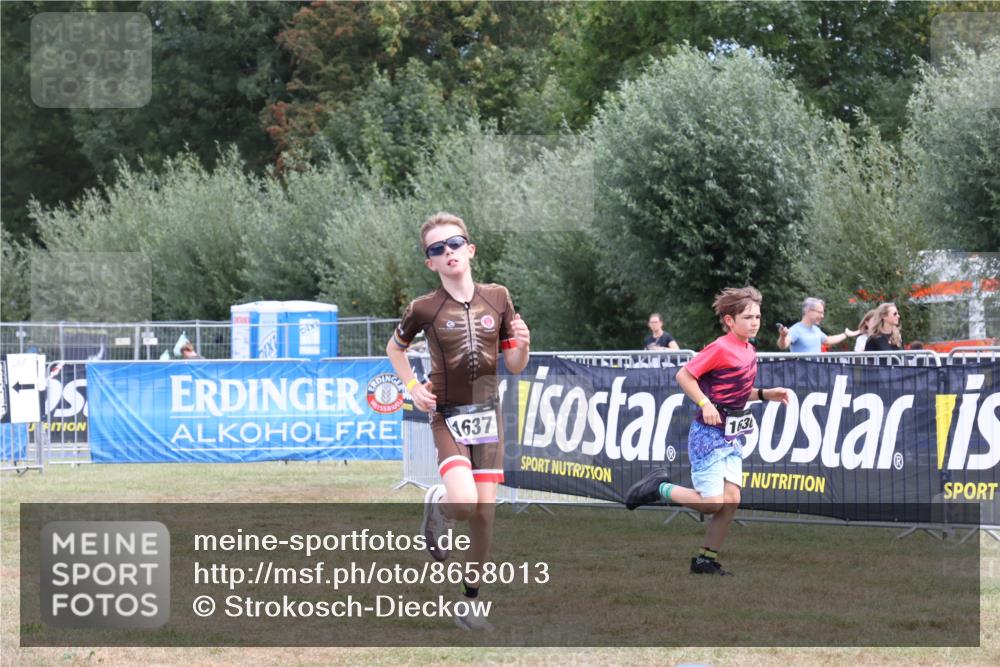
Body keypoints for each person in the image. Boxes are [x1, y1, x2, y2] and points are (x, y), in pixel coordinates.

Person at [385, 212, 530, 630]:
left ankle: (470, 601)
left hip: (488, 416)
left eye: (454, 243)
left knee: (485, 514)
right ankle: (440, 506)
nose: (447, 252)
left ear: (470, 249)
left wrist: (524, 345)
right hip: (447, 415)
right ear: (429, 262)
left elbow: (515, 365)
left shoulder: (498, 297)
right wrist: (412, 386)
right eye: (437, 249)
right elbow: (395, 350)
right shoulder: (423, 307)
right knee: (464, 504)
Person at [625, 287, 791, 576]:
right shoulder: (720, 348)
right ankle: (658, 487)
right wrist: (704, 402)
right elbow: (684, 375)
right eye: (748, 317)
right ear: (730, 321)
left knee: (732, 500)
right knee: (712, 503)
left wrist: (765, 394)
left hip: (732, 435)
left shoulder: (749, 350)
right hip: (708, 435)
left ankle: (705, 560)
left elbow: (734, 394)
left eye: (758, 317)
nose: (755, 322)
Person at [777, 297, 860, 353]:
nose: (822, 316)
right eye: (820, 312)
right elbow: (783, 346)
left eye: (823, 313)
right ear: (808, 311)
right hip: (801, 377)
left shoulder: (816, 330)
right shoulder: (796, 329)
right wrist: (783, 336)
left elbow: (828, 340)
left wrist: (846, 334)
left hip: (816, 375)